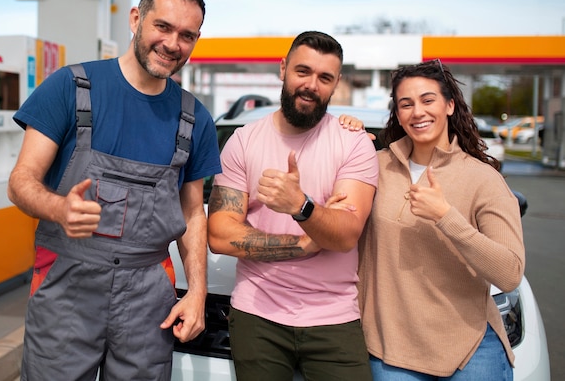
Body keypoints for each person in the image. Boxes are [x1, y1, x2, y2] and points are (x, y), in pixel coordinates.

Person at [7, 0, 221, 380]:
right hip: (66, 289)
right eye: (163, 26)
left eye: (187, 35)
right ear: (136, 18)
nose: (173, 43)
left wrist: (197, 292)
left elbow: (193, 213)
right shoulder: (70, 88)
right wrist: (59, 208)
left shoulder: (195, 120)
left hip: (147, 299)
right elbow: (21, 180)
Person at [207, 31, 379, 381]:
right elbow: (220, 235)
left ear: (336, 85)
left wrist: (300, 206)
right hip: (257, 315)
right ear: (283, 69)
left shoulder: (353, 144)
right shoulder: (242, 141)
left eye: (324, 78)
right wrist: (303, 243)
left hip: (333, 317)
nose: (311, 84)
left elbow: (345, 235)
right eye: (303, 71)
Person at [341, 59, 525, 380]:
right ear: (397, 114)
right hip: (391, 350)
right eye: (406, 104)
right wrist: (340, 138)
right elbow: (332, 219)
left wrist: (446, 217)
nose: (418, 112)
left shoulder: (483, 179)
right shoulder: (374, 166)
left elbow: (509, 274)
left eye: (428, 100)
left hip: (470, 350)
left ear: (450, 105)